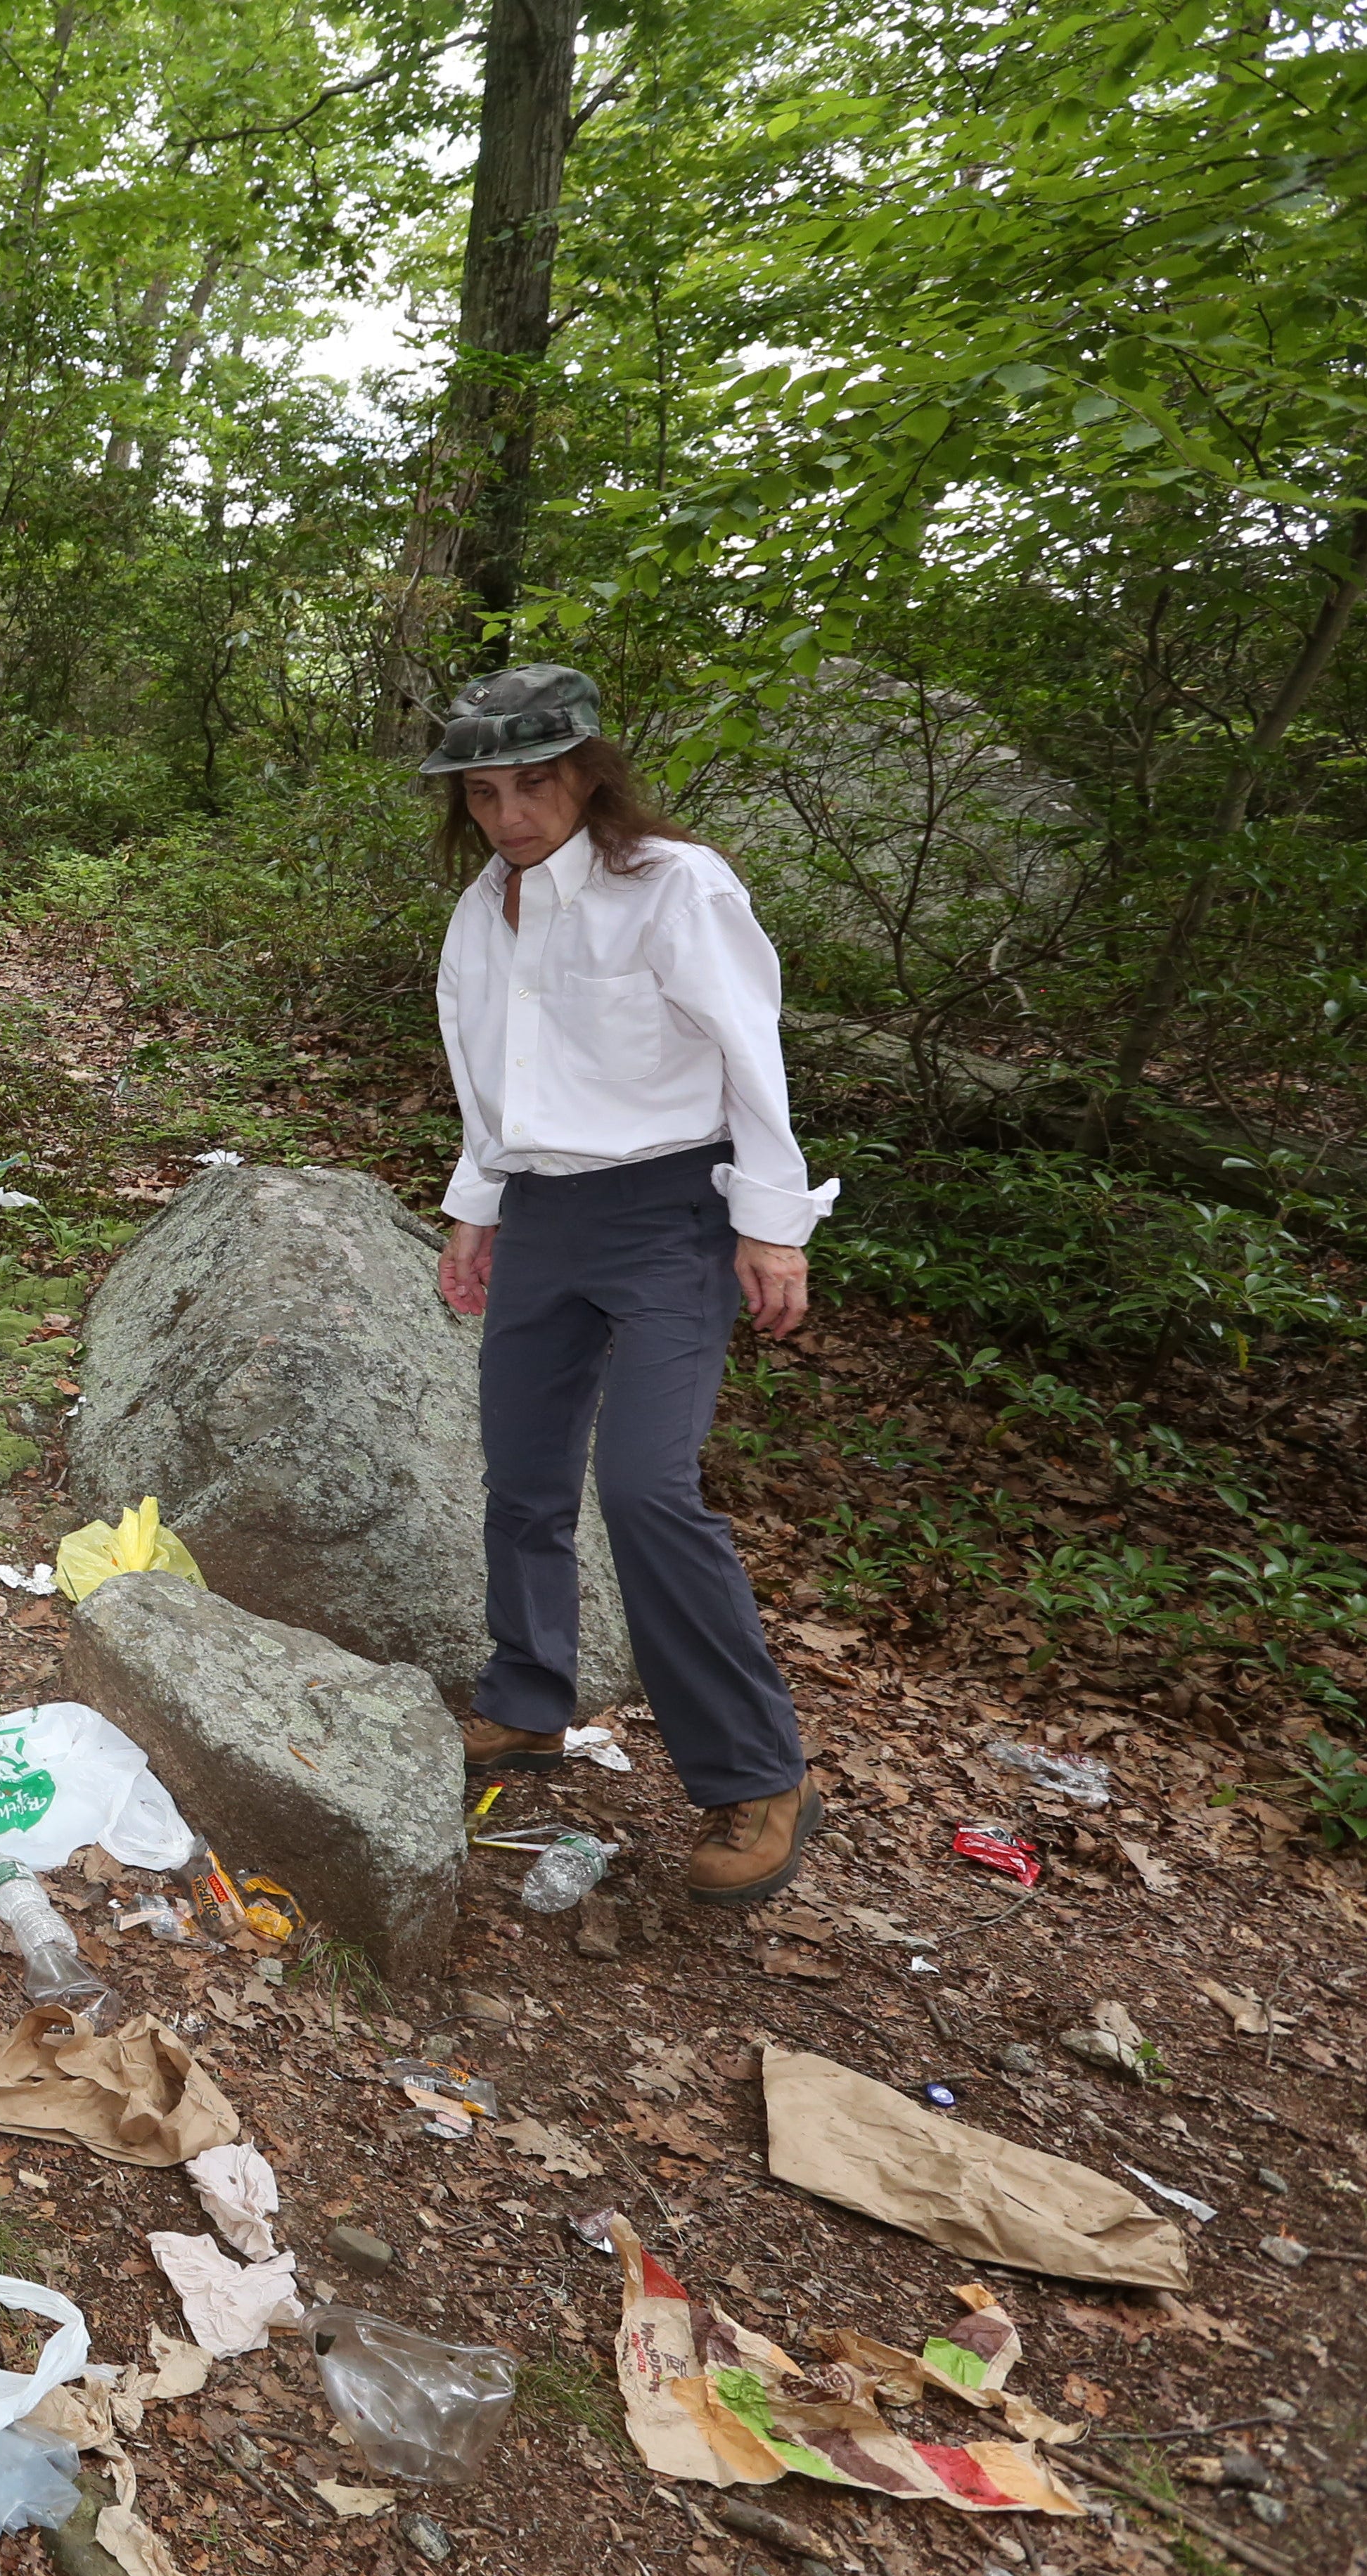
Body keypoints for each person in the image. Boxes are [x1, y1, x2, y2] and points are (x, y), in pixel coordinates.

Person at [419, 664, 834, 1905]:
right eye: (484, 795)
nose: (509, 816)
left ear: (590, 774)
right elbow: (488, 1077)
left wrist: (772, 1223)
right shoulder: (482, 914)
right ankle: (528, 1700)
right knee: (525, 1475)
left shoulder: (675, 886)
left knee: (647, 1485)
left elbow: (747, 1052)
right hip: (543, 1210)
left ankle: (758, 1772)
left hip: (669, 1212)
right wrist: (476, 1212)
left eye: (532, 786)